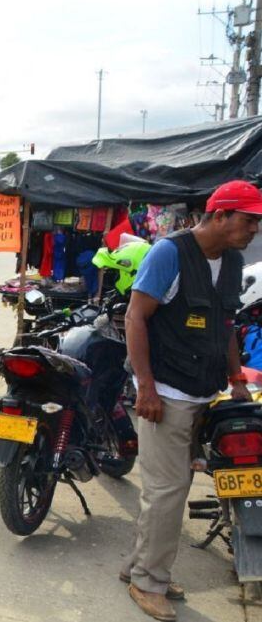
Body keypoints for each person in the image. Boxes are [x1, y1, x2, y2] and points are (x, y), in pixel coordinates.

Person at [123, 180, 262, 622]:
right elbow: (135, 317)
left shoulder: (234, 260)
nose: (254, 230)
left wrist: (237, 377)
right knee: (168, 492)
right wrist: (145, 387)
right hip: (166, 393)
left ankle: (140, 567)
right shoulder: (170, 253)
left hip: (205, 392)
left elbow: (224, 326)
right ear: (220, 215)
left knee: (170, 489)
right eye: (248, 220)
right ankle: (148, 582)